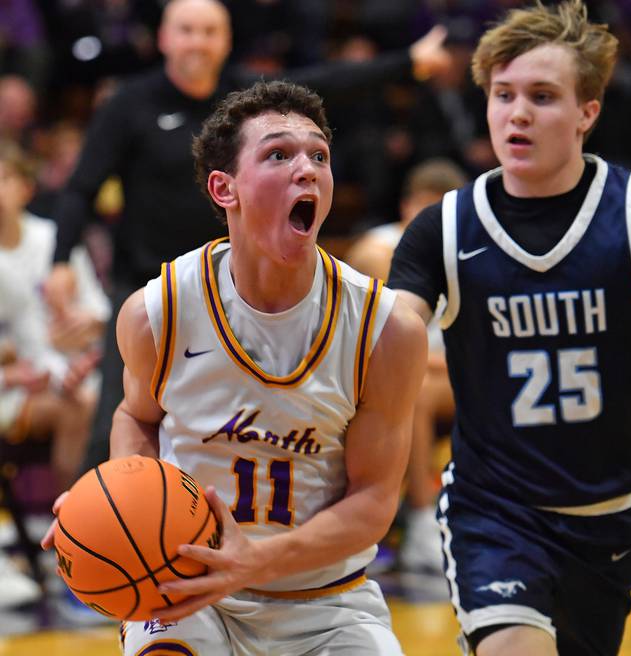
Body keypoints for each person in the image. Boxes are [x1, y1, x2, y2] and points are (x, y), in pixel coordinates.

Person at [387, 2, 631, 655]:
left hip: (608, 519)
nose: (517, 112)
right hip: (493, 509)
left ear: (588, 112)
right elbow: (391, 339)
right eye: (503, 95)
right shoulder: (444, 229)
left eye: (542, 96)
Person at [43, 79, 428, 654]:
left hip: (326, 602)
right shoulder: (159, 312)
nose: (307, 169)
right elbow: (137, 417)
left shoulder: (385, 329)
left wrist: (254, 561)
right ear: (225, 188)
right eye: (279, 154)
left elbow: (373, 502)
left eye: (319, 155)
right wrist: (119, 505)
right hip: (188, 591)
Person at [44, 0, 452, 476]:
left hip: (233, 285)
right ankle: (101, 532)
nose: (198, 41)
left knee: (252, 431)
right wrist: (58, 261)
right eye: (187, 29)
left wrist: (407, 63)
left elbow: (326, 83)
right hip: (149, 285)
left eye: (209, 30)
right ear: (164, 39)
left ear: (226, 39)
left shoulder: (247, 102)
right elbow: (81, 189)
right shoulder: (129, 103)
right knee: (119, 421)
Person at [347, 158, 468, 572]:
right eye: (427, 209)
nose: (435, 220)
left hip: (455, 374)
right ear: (407, 207)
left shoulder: (469, 248)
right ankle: (420, 522)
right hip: (391, 376)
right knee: (411, 392)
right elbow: (392, 347)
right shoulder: (378, 250)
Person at [0, 142, 102, 493]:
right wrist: (9, 374)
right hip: (14, 386)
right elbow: (24, 344)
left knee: (117, 398)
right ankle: (72, 526)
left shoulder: (53, 240)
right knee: (83, 405)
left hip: (68, 368)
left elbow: (101, 312)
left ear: (25, 188)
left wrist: (83, 324)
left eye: (4, 178)